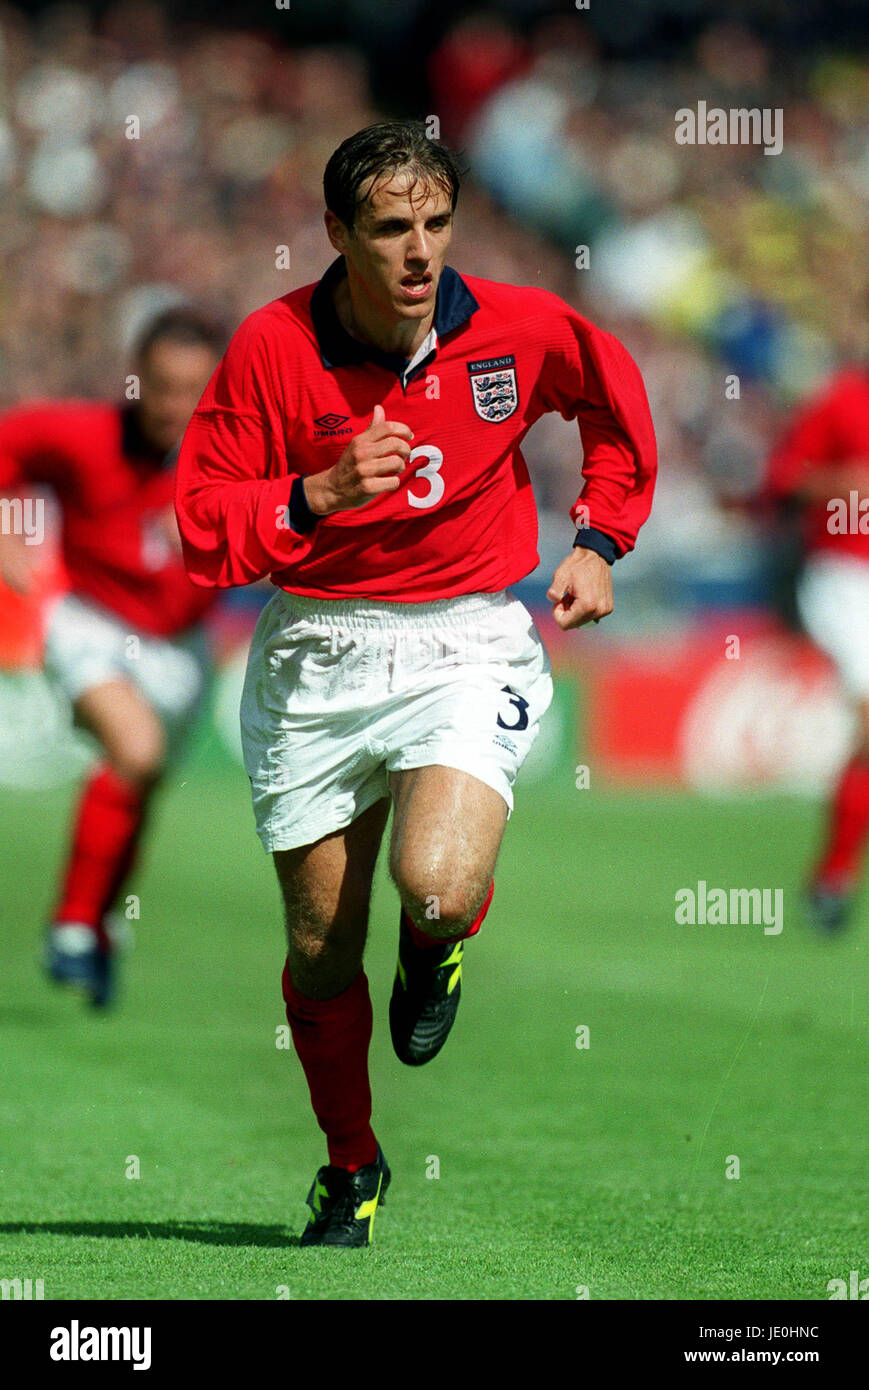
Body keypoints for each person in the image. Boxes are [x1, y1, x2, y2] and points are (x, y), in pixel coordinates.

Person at [175, 120, 657, 1246]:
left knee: (432, 886)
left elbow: (610, 402)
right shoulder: (269, 348)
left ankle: (435, 943)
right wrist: (311, 496)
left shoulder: (516, 327)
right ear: (336, 232)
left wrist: (600, 538)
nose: (418, 251)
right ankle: (351, 1163)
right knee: (317, 951)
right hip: (316, 652)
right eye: (390, 227)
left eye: (436, 223)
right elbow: (203, 526)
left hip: (464, 639)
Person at [0, 308, 223, 1005]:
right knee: (135, 748)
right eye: (160, 386)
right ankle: (70, 927)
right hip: (88, 623)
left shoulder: (242, 458)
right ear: (136, 380)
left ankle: (97, 924)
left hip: (182, 650)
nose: (172, 405)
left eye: (191, 389)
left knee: (140, 779)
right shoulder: (79, 434)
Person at [765, 363, 869, 932]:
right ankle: (833, 876)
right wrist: (845, 483)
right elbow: (783, 478)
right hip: (847, 578)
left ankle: (833, 876)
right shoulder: (839, 399)